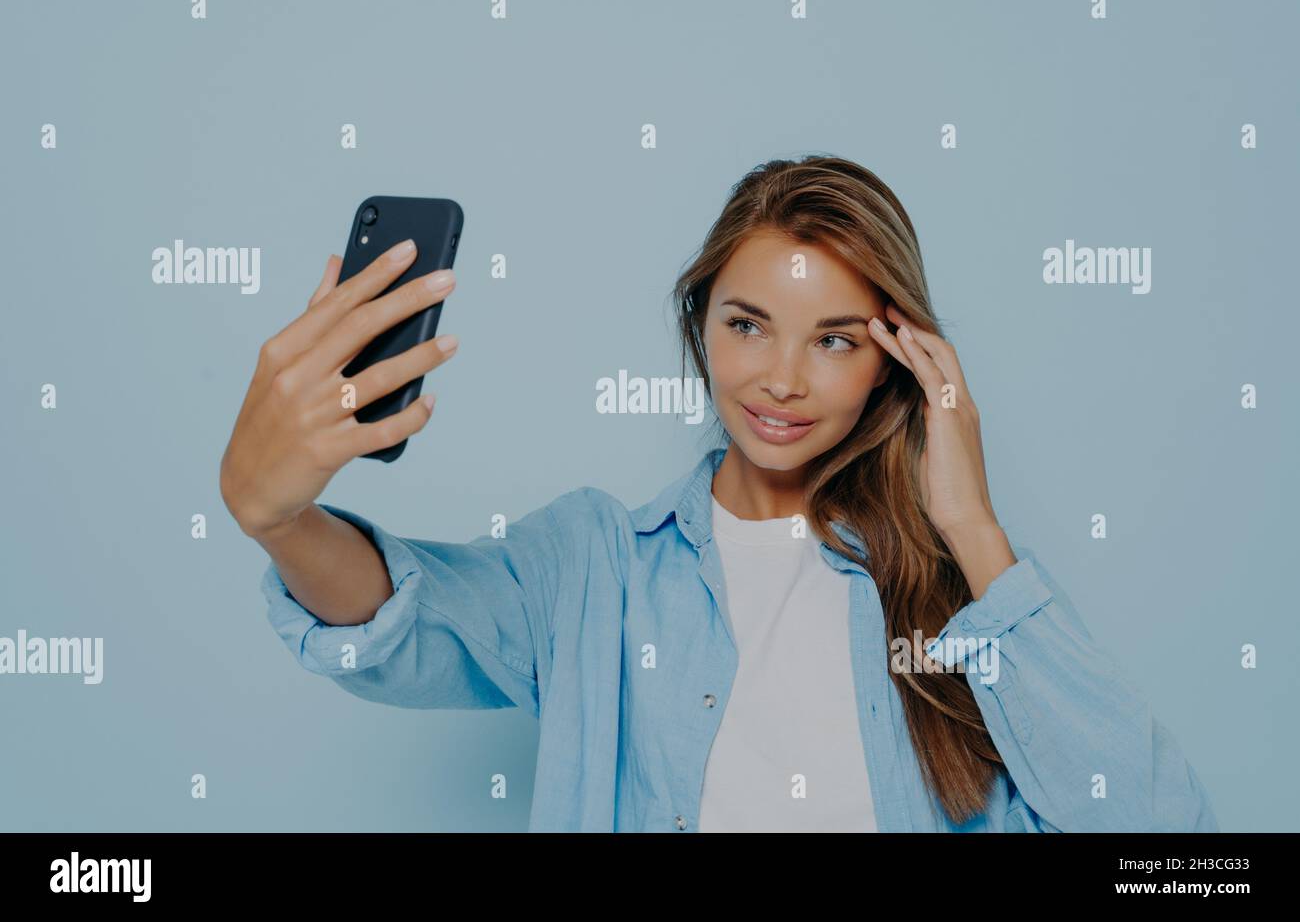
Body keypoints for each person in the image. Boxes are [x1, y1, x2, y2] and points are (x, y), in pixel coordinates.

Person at [220, 155, 1218, 833]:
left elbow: (1165, 839)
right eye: (748, 323)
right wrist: (278, 517)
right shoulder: (591, 566)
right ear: (699, 326)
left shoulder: (962, 605)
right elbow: (408, 622)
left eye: (834, 339)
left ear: (896, 364)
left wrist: (970, 523)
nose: (780, 377)